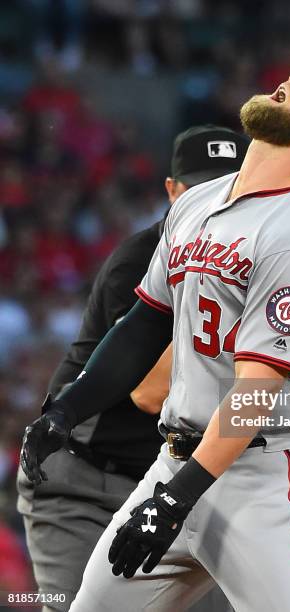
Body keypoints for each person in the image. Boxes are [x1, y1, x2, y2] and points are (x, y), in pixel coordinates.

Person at [20, 72, 290, 611]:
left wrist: (174, 501)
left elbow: (255, 394)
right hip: (174, 462)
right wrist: (68, 409)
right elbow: (144, 322)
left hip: (258, 482)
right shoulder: (199, 200)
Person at [17, 125, 249, 612]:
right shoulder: (140, 260)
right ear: (171, 191)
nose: (213, 202)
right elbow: (148, 393)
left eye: (226, 187)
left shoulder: (256, 261)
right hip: (87, 486)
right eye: (198, 187)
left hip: (175, 487)